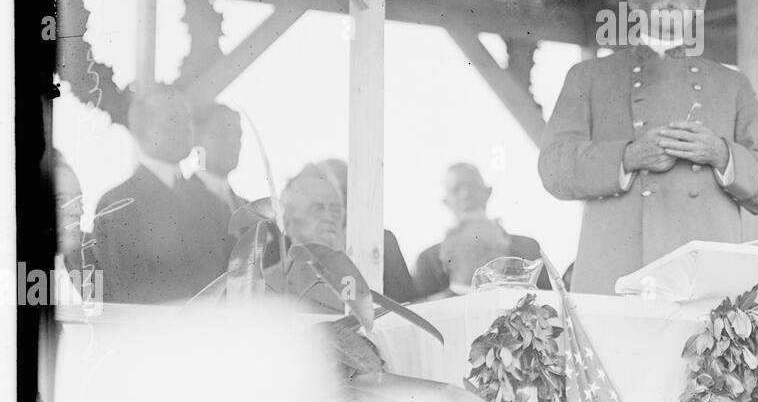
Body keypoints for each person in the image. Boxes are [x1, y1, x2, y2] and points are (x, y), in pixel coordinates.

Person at [538, 0, 758, 294]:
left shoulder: (731, 84)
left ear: (699, 1)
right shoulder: (589, 77)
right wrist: (626, 157)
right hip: (616, 276)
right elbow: (553, 167)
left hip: (704, 281)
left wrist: (721, 154)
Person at [88, 86, 233, 303]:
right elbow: (122, 291)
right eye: (173, 119)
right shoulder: (118, 204)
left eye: (188, 119)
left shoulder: (212, 204)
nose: (186, 128)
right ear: (142, 129)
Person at [275, 166, 417, 304]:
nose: (329, 217)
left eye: (335, 209)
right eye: (318, 208)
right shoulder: (269, 285)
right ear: (289, 224)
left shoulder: (369, 267)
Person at [413, 163, 545, 299]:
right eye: (456, 189)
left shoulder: (528, 248)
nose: (466, 195)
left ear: (488, 192)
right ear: (446, 202)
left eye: (472, 187)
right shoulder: (428, 260)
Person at [192, 103, 245, 214]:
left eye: (238, 135)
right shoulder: (180, 198)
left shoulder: (249, 211)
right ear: (197, 138)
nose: (233, 142)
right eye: (223, 133)